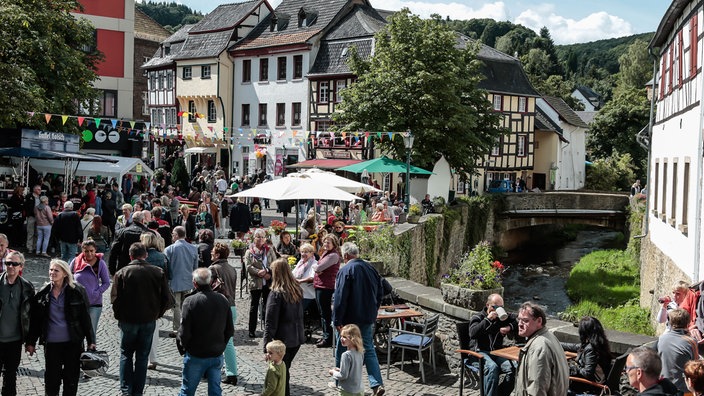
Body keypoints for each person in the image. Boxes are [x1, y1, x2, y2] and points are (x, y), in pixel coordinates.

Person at [111, 242, 173, 396]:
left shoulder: (122, 273)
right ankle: (137, 391)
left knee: (126, 354)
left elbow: (115, 299)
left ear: (130, 256)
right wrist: (157, 314)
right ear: (145, 255)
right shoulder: (157, 272)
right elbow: (167, 299)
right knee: (142, 356)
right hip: (148, 320)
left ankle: (126, 389)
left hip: (128, 320)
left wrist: (120, 316)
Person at [27, 259, 95, 396]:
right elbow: (36, 321)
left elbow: (85, 318)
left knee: (71, 380)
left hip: (73, 342)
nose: (52, 273)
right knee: (52, 380)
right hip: (52, 343)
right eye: (51, 270)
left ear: (65, 273)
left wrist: (91, 340)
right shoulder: (43, 293)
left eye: (56, 270)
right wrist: (31, 342)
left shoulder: (77, 291)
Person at [332, 242, 386, 396]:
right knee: (368, 349)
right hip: (367, 317)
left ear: (346, 256)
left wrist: (337, 320)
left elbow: (340, 298)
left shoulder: (346, 270)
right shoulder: (371, 268)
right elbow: (381, 291)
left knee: (342, 348)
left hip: (349, 319)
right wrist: (374, 310)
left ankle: (338, 381)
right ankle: (377, 384)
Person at [177, 268, 234, 396]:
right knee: (215, 391)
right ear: (210, 282)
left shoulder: (190, 301)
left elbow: (184, 331)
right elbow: (229, 329)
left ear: (194, 283)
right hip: (216, 353)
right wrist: (221, 346)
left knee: (187, 391)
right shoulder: (223, 299)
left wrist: (184, 348)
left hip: (196, 354)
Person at [263, 258, 306, 396]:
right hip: (297, 337)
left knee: (281, 373)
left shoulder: (277, 294)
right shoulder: (297, 289)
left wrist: (266, 347)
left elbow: (270, 322)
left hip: (283, 340)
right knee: (284, 370)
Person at [514, 301, 569, 396]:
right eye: (519, 320)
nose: (520, 324)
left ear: (539, 321)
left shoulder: (539, 347)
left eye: (525, 321)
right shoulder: (549, 337)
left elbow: (537, 389)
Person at [468, 293, 518, 396]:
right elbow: (473, 333)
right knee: (492, 368)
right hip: (478, 353)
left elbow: (518, 319)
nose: (498, 309)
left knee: (514, 368)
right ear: (488, 305)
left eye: (501, 307)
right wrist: (488, 319)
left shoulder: (502, 317)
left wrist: (509, 327)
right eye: (495, 307)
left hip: (496, 353)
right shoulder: (477, 317)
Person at [0, 251, 35, 395]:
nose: (11, 266)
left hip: (14, 341)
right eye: (8, 263)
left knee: (10, 376)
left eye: (14, 264)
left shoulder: (27, 288)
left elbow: (32, 317)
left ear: (21, 266)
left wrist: (30, 341)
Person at [209, 243, 239, 386]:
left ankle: (211, 371)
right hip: (232, 306)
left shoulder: (213, 268)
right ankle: (231, 373)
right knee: (228, 342)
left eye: (213, 252)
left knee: (214, 339)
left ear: (218, 255)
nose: (210, 253)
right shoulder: (232, 268)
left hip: (219, 307)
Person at [69, 240, 111, 343]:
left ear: (95, 250)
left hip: (94, 304)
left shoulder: (100, 263)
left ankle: (91, 353)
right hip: (77, 303)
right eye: (86, 251)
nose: (89, 254)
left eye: (91, 251)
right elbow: (68, 278)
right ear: (82, 251)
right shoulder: (75, 262)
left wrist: (96, 292)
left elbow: (106, 282)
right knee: (77, 331)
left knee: (91, 332)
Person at [560, 316, 612, 393]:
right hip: (595, 381)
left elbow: (587, 373)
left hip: (590, 386)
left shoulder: (591, 349)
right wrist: (555, 343)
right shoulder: (599, 343)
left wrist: (574, 369)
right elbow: (573, 346)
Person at [140, 232, 167, 370]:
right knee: (154, 328)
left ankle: (141, 356)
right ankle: (153, 358)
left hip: (141, 296)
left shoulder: (140, 257)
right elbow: (170, 275)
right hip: (157, 296)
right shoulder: (162, 256)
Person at [165, 226, 199, 335]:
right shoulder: (193, 248)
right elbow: (195, 267)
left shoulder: (169, 249)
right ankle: (188, 326)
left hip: (174, 282)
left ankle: (177, 329)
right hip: (189, 282)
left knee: (175, 307)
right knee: (187, 306)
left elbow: (166, 267)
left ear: (175, 235)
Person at [656, 309, 699, 393]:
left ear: (670, 323)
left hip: (664, 386)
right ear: (688, 323)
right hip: (683, 389)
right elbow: (696, 366)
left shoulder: (662, 338)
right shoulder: (691, 342)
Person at [315, 234, 341, 349]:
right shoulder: (326, 253)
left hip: (326, 287)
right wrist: (318, 268)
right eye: (325, 242)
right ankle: (326, 335)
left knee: (326, 313)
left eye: (328, 242)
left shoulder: (333, 255)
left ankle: (328, 338)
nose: (326, 244)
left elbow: (317, 268)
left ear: (334, 244)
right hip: (320, 285)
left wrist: (318, 268)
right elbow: (318, 268)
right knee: (322, 313)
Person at [109, 211, 149, 275]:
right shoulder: (148, 233)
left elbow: (113, 252)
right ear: (142, 220)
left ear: (132, 219)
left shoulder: (122, 232)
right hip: (142, 269)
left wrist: (112, 271)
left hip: (124, 267)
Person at [329, 324, 364, 396]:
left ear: (353, 338)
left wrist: (333, 373)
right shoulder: (360, 352)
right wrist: (340, 369)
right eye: (341, 336)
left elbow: (343, 375)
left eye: (344, 337)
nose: (341, 338)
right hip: (359, 389)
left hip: (347, 390)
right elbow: (354, 370)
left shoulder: (346, 355)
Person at [292, 243, 317, 312]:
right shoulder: (300, 262)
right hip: (298, 293)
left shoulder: (315, 263)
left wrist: (300, 281)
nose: (303, 254)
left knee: (297, 313)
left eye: (306, 252)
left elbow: (312, 277)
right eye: (302, 252)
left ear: (312, 253)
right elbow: (293, 274)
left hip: (308, 295)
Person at [24, 185, 42, 254]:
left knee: (37, 233)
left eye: (40, 189)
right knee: (30, 232)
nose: (40, 191)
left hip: (39, 217)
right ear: (34, 190)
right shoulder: (29, 196)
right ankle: (29, 247)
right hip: (31, 216)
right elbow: (26, 206)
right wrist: (29, 213)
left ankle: (35, 247)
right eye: (38, 189)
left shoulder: (41, 197)